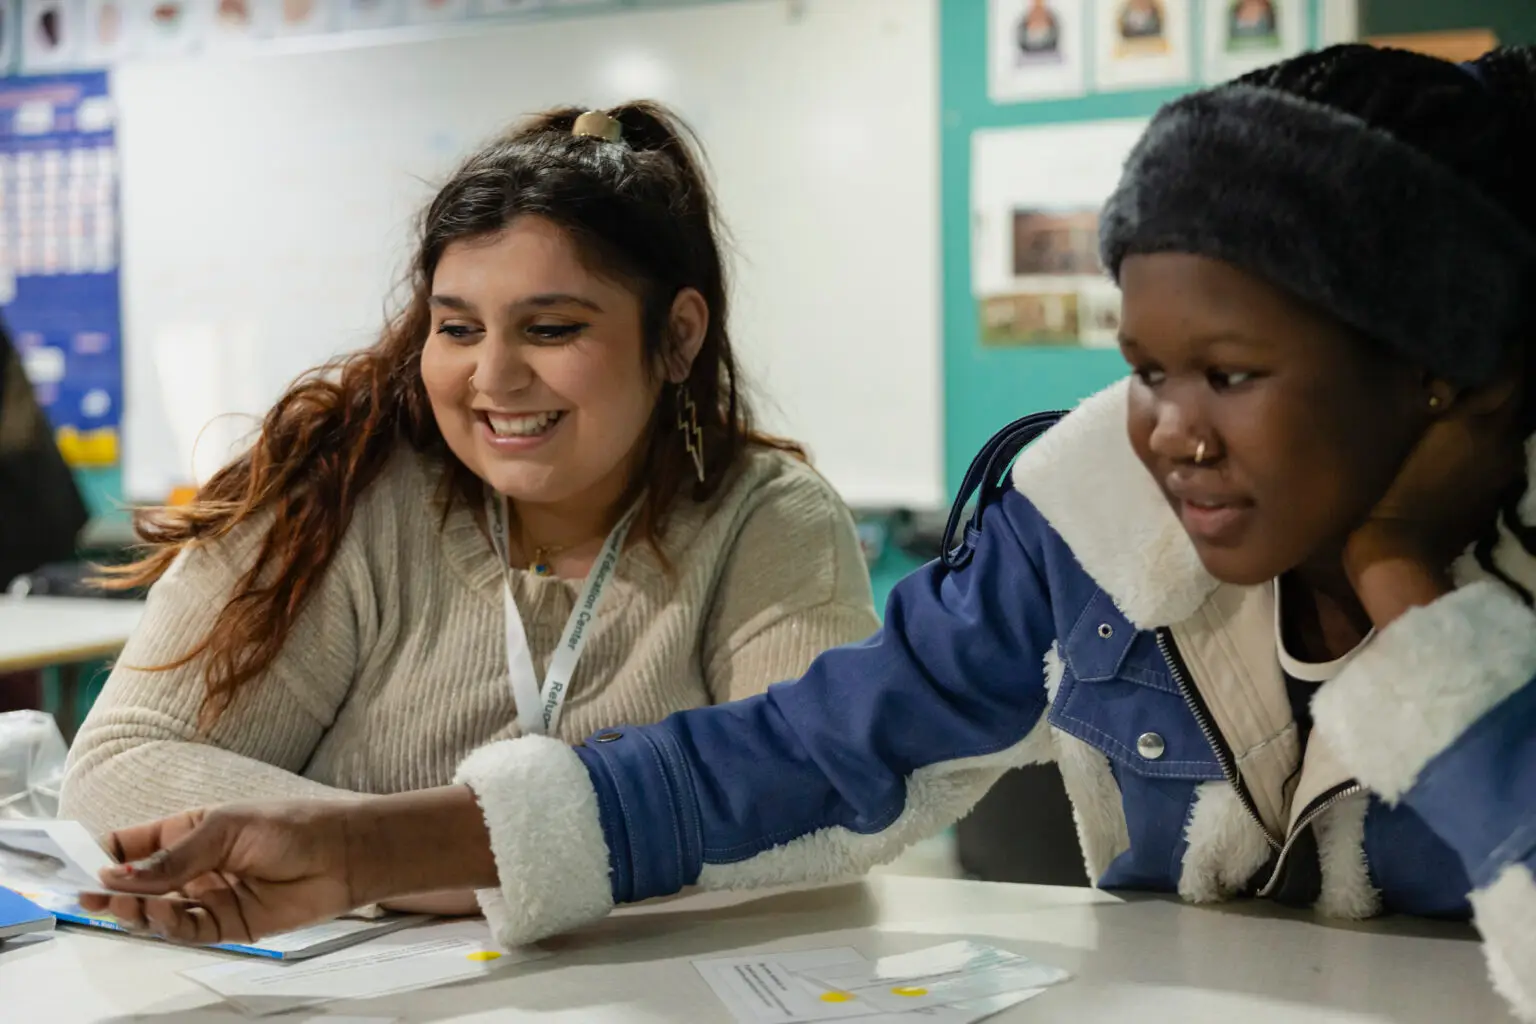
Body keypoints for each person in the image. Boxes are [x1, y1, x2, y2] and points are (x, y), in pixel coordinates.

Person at [87, 44, 1536, 1019]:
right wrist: (352, 856)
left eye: (1231, 373)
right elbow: (795, 752)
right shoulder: (1087, 510)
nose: (1168, 430)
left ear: (1446, 369)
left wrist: (1405, 586)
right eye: (1144, 368)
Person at [60, 103, 878, 914]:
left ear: (679, 336)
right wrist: (475, 865)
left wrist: (375, 859)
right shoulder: (339, 490)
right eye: (457, 328)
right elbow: (115, 776)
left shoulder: (768, 520)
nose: (493, 375)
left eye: (551, 329)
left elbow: (815, 818)